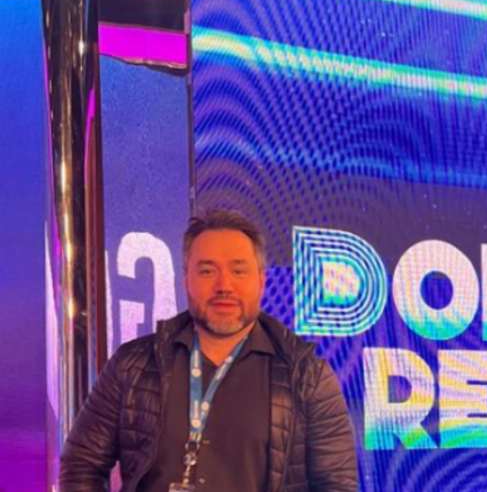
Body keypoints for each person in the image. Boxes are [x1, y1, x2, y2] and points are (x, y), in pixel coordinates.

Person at [60, 210, 358, 491]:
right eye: (207, 271)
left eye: (238, 270)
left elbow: (337, 485)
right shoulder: (133, 364)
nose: (224, 285)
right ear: (185, 279)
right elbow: (81, 463)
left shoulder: (306, 376)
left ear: (261, 281)